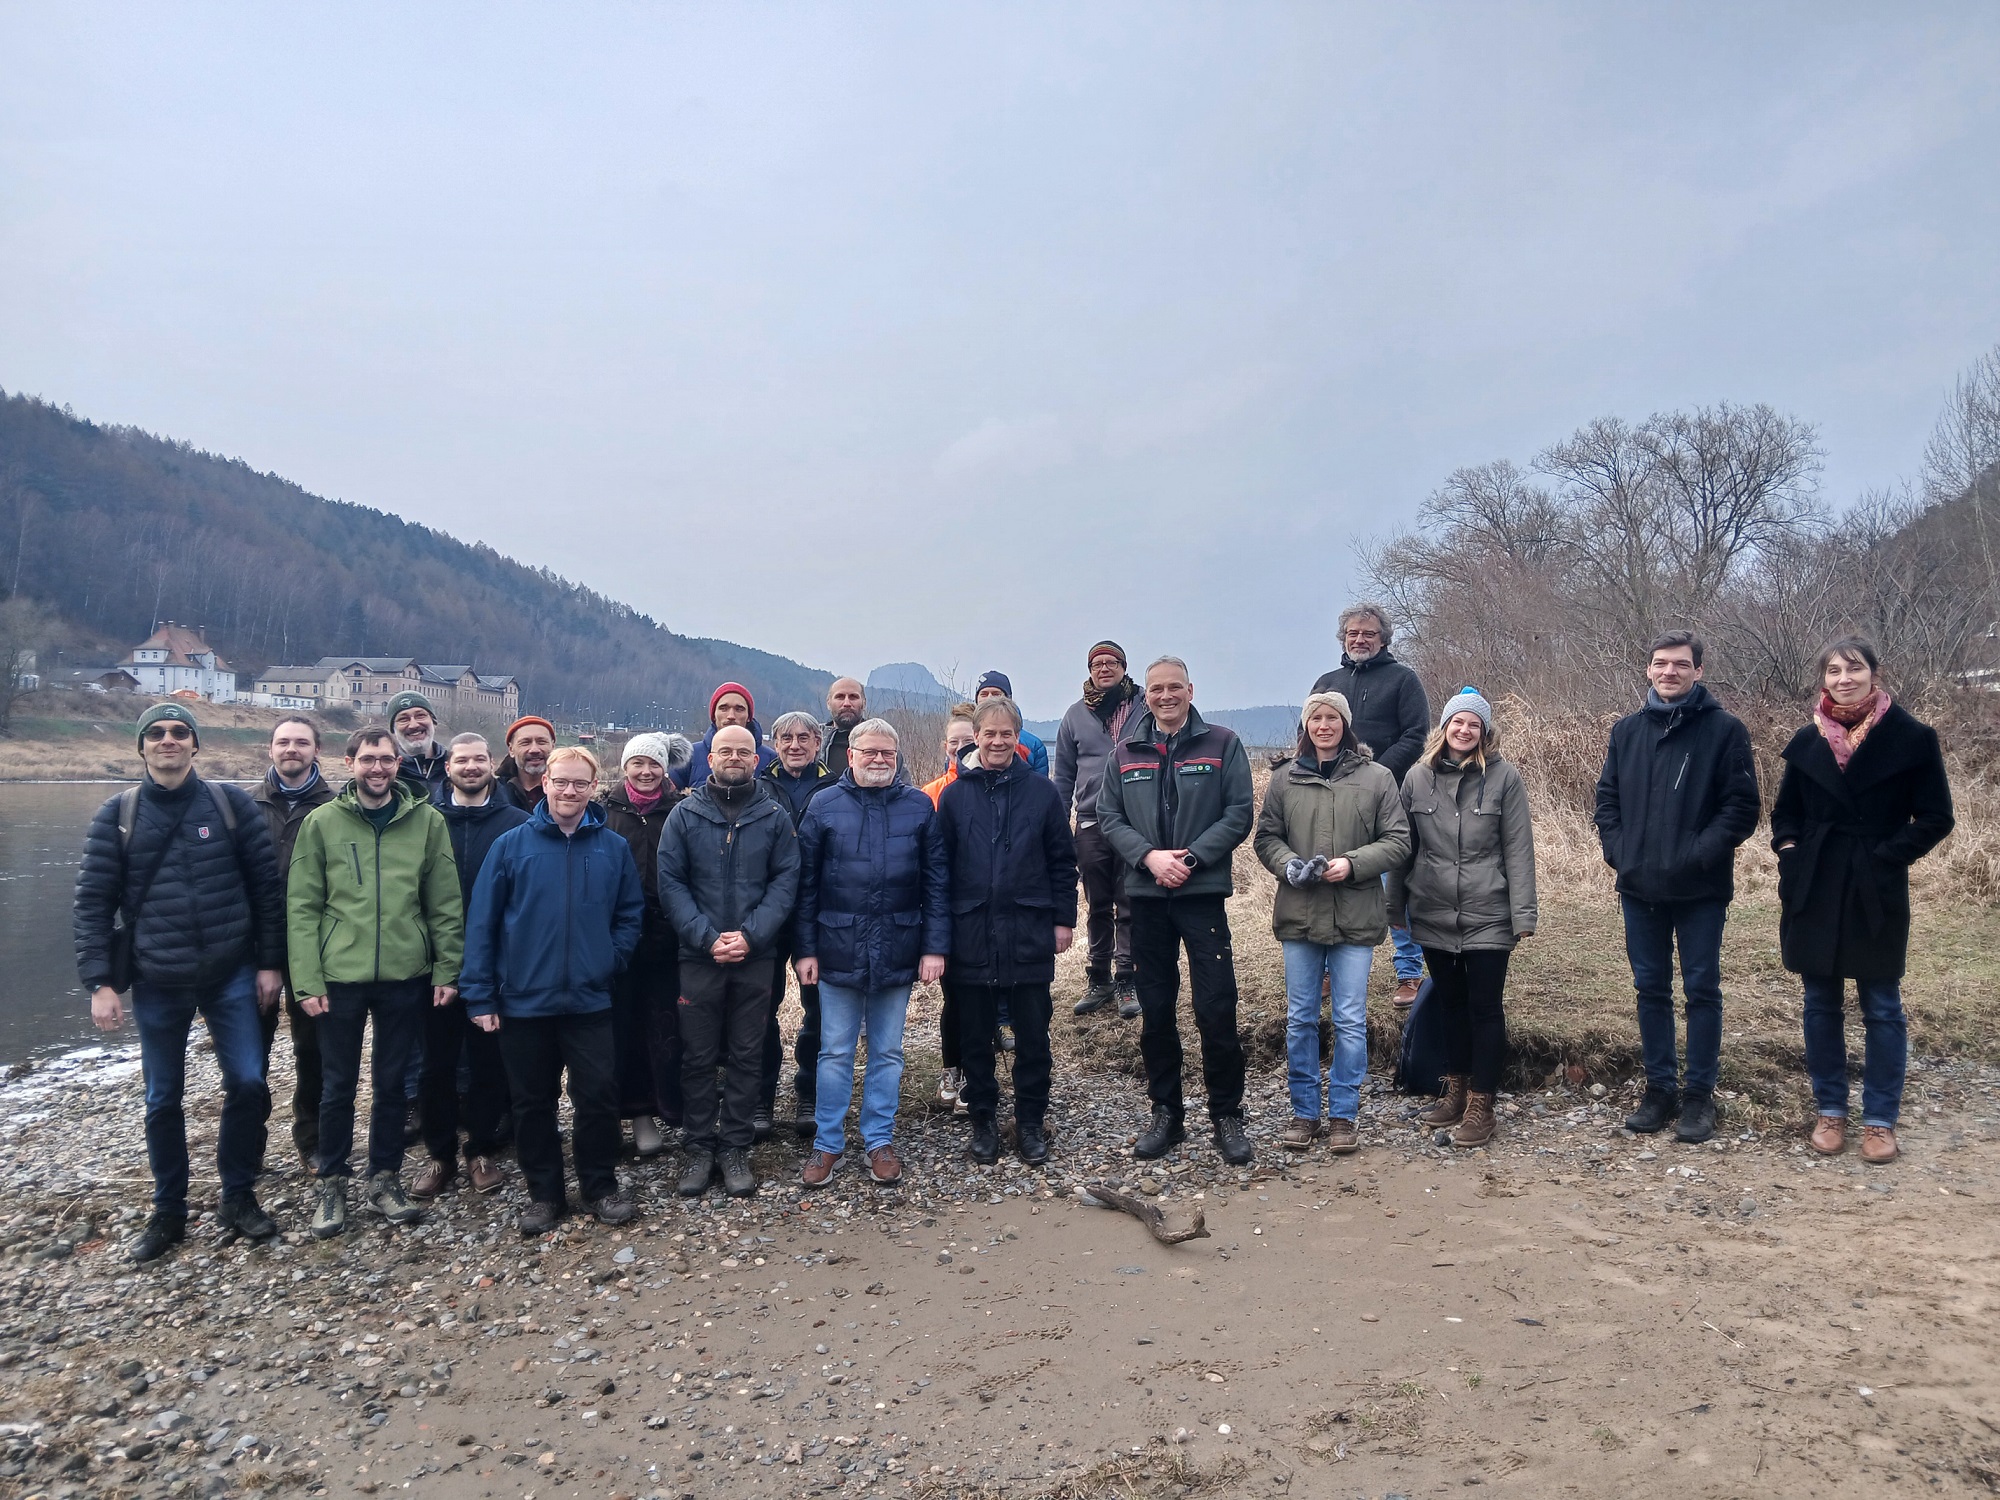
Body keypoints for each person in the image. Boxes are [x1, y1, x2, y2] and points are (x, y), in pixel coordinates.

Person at [74, 703, 286, 1262]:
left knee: (248, 1083)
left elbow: (266, 890)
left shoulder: (230, 804)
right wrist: (99, 982)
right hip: (157, 979)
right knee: (161, 1098)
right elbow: (93, 904)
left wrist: (270, 963)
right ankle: (169, 1210)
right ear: (141, 747)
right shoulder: (117, 815)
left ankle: (238, 1197)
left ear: (196, 746)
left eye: (179, 733)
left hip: (231, 972)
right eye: (157, 734)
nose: (168, 741)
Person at [1771, 637, 1954, 1166]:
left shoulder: (1912, 737)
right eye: (1833, 670)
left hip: (1876, 885)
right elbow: (1785, 815)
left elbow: (1937, 817)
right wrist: (1791, 854)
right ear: (1823, 679)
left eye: (1855, 669)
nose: (1844, 678)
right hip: (1816, 884)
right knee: (1820, 1001)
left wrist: (1885, 856)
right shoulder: (1808, 741)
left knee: (1881, 1004)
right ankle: (1830, 1110)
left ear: (1875, 674)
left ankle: (1879, 1121)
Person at [288, 725, 464, 1239]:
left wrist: (446, 968)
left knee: (392, 1084)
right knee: (337, 1085)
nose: (378, 768)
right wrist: (307, 980)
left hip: (405, 975)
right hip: (339, 976)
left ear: (397, 765)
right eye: (368, 759)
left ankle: (385, 1177)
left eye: (386, 759)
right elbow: (301, 908)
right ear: (349, 764)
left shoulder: (426, 822)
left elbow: (445, 904)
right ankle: (333, 1184)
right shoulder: (321, 823)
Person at [461, 746, 646, 1233]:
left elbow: (630, 915)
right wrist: (480, 995)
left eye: (579, 783)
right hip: (523, 1001)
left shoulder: (613, 848)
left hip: (589, 1001)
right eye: (560, 782)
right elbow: (482, 924)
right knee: (531, 1102)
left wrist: (610, 958)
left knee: (598, 1098)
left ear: (593, 788)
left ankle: (599, 1186)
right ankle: (544, 1194)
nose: (569, 791)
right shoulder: (510, 846)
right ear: (545, 784)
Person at [1594, 631, 1760, 1145]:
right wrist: (1622, 854)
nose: (1670, 672)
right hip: (1639, 886)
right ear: (1647, 670)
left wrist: (1696, 855)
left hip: (1701, 890)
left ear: (1699, 672)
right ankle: (1659, 1090)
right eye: (1661, 664)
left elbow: (1741, 808)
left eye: (1681, 665)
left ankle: (1698, 1097)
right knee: (1651, 990)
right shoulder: (1626, 731)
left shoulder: (1725, 730)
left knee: (1702, 991)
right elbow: (1607, 802)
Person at [1097, 655, 1257, 1165]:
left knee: (1216, 1007)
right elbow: (1108, 814)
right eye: (1155, 689)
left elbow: (1239, 812)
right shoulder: (1125, 751)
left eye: (1173, 687)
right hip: (1147, 898)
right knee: (1157, 1011)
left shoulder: (1222, 743)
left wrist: (1190, 857)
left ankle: (1227, 1114)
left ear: (1190, 689)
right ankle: (1166, 1113)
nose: (1165, 696)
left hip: (1201, 893)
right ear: (1144, 695)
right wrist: (1148, 857)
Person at [794, 718, 950, 1188]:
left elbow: (936, 884)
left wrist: (934, 947)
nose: (879, 759)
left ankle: (879, 1140)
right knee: (835, 1051)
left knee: (887, 1051)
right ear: (851, 754)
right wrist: (804, 949)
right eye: (870, 752)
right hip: (836, 945)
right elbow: (805, 887)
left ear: (897, 756)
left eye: (888, 752)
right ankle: (827, 1145)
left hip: (900, 944)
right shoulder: (823, 805)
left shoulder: (919, 806)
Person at [1254, 691, 1410, 1155]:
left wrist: (1354, 864)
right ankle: (1304, 1113)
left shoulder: (1378, 778)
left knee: (1348, 1017)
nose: (1324, 725)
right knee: (1301, 1017)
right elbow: (1267, 837)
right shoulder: (1283, 779)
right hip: (1299, 915)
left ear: (1345, 724)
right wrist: (1287, 866)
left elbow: (1398, 841)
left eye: (1332, 718)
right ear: (1306, 727)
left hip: (1356, 915)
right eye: (1316, 718)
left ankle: (1343, 1115)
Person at [658, 725, 801, 1197]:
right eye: (726, 751)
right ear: (711, 757)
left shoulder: (774, 817)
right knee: (696, 1055)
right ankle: (699, 1146)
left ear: (757, 759)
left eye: (744, 751)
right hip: (698, 955)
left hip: (755, 956)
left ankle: (735, 1145)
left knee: (747, 1052)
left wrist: (753, 935)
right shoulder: (684, 815)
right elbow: (671, 884)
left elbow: (785, 882)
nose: (735, 757)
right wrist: (705, 937)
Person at [1390, 690, 1537, 1148]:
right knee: (1450, 1004)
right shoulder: (1416, 778)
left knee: (1485, 1008)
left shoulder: (1503, 777)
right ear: (1445, 727)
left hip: (1488, 910)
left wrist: (1523, 912)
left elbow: (1518, 846)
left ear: (1484, 733)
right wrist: (1395, 908)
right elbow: (1402, 846)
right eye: (1458, 722)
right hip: (1432, 909)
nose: (1465, 730)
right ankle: (1454, 1090)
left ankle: (1482, 1102)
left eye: (1474, 724)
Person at [937, 696, 1077, 1166]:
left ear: (1018, 738)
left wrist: (1063, 919)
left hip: (1029, 930)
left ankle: (1031, 1122)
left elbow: (1063, 862)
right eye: (989, 733)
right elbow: (940, 870)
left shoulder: (1042, 792)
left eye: (1007, 733)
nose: (998, 741)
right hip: (969, 932)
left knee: (1034, 1036)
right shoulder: (955, 796)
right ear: (974, 737)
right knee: (974, 1036)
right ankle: (983, 1122)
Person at [411, 733, 530, 1199]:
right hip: (433, 965)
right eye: (462, 759)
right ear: (448, 767)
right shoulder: (424, 822)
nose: (472, 766)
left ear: (491, 765)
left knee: (488, 1062)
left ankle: (481, 1150)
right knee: (434, 1065)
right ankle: (439, 1154)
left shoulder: (516, 823)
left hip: (497, 966)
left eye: (480, 759)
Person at [1311, 604, 1431, 1008]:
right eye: (1352, 633)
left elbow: (1416, 736)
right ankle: (1327, 972)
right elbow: (1310, 734)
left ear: (1384, 638)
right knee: (1332, 882)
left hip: (1388, 797)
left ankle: (1409, 972)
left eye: (1368, 633)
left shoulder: (1403, 679)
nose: (1359, 639)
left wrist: (1375, 773)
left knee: (1391, 886)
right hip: (1330, 800)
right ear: (1343, 638)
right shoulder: (1328, 682)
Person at [247, 715, 336, 1170]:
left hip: (316, 949)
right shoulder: (243, 807)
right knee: (249, 1054)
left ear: (316, 750)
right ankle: (248, 1146)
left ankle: (313, 1141)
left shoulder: (337, 807)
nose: (291, 750)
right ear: (270, 749)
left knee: (313, 1051)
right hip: (253, 948)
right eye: (283, 742)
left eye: (302, 743)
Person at [599, 731, 692, 1160]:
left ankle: (661, 1109)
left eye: (654, 763)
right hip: (616, 940)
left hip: (667, 939)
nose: (646, 771)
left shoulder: (681, 810)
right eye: (637, 763)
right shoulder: (604, 811)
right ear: (624, 767)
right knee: (619, 1030)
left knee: (664, 1029)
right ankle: (622, 1115)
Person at [1051, 641, 1143, 1019]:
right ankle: (1099, 976)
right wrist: (1058, 824)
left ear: (1124, 666)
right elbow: (1063, 777)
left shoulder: (1143, 707)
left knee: (1130, 902)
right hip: (1090, 822)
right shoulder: (1075, 715)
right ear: (1089, 670)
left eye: (1112, 662)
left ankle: (1127, 978)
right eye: (1097, 663)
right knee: (1098, 903)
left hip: (1137, 823)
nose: (1104, 668)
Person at [762, 711, 840, 1138]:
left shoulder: (835, 785)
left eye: (804, 738)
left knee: (819, 1010)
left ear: (817, 743)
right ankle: (761, 1096)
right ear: (775, 744)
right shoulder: (758, 786)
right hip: (768, 912)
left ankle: (809, 1092)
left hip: (820, 911)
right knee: (762, 1008)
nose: (795, 745)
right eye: (786, 738)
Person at [922, 705, 979, 1113]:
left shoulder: (995, 784)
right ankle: (951, 1069)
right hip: (947, 907)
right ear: (946, 747)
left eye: (968, 741)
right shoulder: (931, 793)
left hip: (986, 909)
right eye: (955, 742)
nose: (962, 747)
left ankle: (979, 1074)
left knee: (985, 999)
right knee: (955, 999)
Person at [672, 682, 778, 789]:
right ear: (713, 715)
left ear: (749, 717)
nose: (731, 716)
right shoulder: (689, 756)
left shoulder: (770, 760)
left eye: (739, 709)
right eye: (723, 708)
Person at [973, 672, 1048, 773]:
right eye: (984, 694)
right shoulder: (962, 739)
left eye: (996, 694)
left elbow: (1040, 785)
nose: (989, 698)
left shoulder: (1033, 745)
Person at [389, 691, 448, 796]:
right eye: (403, 719)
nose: (413, 725)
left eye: (420, 715)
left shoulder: (456, 765)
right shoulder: (387, 771)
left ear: (434, 722)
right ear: (393, 730)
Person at [497, 715, 556, 811]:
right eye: (525, 743)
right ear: (511, 750)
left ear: (552, 746)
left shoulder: (567, 791)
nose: (534, 750)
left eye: (541, 742)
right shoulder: (494, 793)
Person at [820, 677, 870, 778]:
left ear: (864, 703)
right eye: (840, 697)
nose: (846, 703)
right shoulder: (814, 741)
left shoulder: (882, 742)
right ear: (828, 703)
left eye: (853, 697)